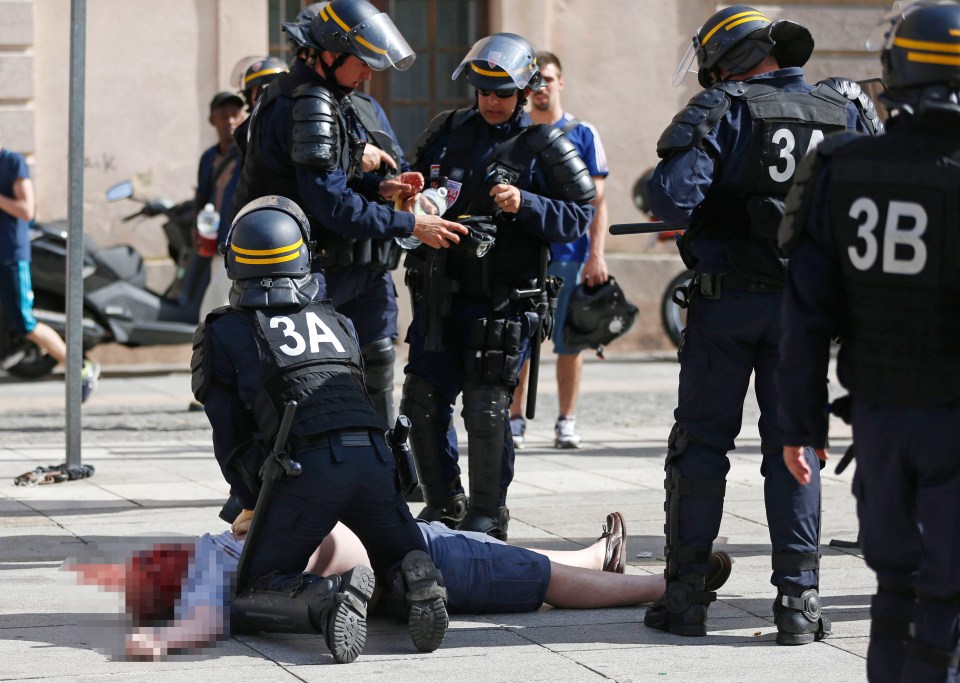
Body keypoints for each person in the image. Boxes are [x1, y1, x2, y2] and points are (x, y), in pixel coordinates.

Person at [642, 5, 884, 644]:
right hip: (804, 311)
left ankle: (686, 599)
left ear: (730, 59)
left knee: (699, 446)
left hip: (728, 306)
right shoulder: (844, 110)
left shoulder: (726, 107)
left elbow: (669, 195)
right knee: (796, 451)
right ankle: (799, 606)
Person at [777, 1, 960, 677]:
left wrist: (798, 422)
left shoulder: (844, 166)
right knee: (946, 598)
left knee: (894, 592)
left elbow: (805, 311)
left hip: (880, 418)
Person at [191, 196, 448, 661]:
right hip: (375, 462)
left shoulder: (223, 330)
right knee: (397, 557)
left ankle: (326, 600)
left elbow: (229, 436)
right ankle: (411, 576)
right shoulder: (340, 320)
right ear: (305, 254)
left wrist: (253, 503)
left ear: (233, 259)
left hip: (306, 470)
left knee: (252, 593)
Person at [226, 0, 467, 426]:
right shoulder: (310, 102)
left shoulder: (317, 96)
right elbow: (331, 206)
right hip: (302, 272)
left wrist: (380, 186)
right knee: (307, 383)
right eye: (363, 61)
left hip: (320, 265)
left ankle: (376, 475)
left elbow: (324, 183)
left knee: (369, 362)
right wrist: (412, 223)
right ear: (329, 54)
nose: (370, 73)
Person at [400, 33, 596, 540]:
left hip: (502, 301)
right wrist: (409, 193)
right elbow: (411, 182)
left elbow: (579, 214)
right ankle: (443, 503)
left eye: (502, 92)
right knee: (421, 399)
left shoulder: (546, 143)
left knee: (486, 410)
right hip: (439, 293)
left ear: (526, 90)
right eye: (483, 90)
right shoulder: (446, 130)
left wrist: (526, 203)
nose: (491, 101)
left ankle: (489, 511)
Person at [65, 512, 733, 660]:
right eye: (147, 572)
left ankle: (612, 557)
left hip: (415, 546)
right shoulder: (215, 562)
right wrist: (161, 636)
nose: (148, 561)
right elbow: (203, 618)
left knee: (537, 572)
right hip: (419, 552)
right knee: (543, 579)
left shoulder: (224, 550)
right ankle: (667, 581)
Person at [510, 50, 610, 450]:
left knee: (570, 342)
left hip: (571, 254)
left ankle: (566, 421)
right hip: (524, 254)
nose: (541, 88)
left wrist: (597, 254)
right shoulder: (516, 132)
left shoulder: (583, 133)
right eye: (533, 81)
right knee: (519, 341)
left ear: (560, 82)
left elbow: (598, 200)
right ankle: (515, 419)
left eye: (547, 79)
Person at [0, 131, 99, 400]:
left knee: (25, 322)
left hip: (10, 255)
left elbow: (26, 209)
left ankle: (80, 367)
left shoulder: (11, 161)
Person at [195, 92, 246, 319]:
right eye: (224, 116)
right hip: (219, 243)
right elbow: (202, 196)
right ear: (212, 120)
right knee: (219, 301)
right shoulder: (208, 158)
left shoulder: (248, 154)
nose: (230, 122)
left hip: (243, 241)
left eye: (235, 115)